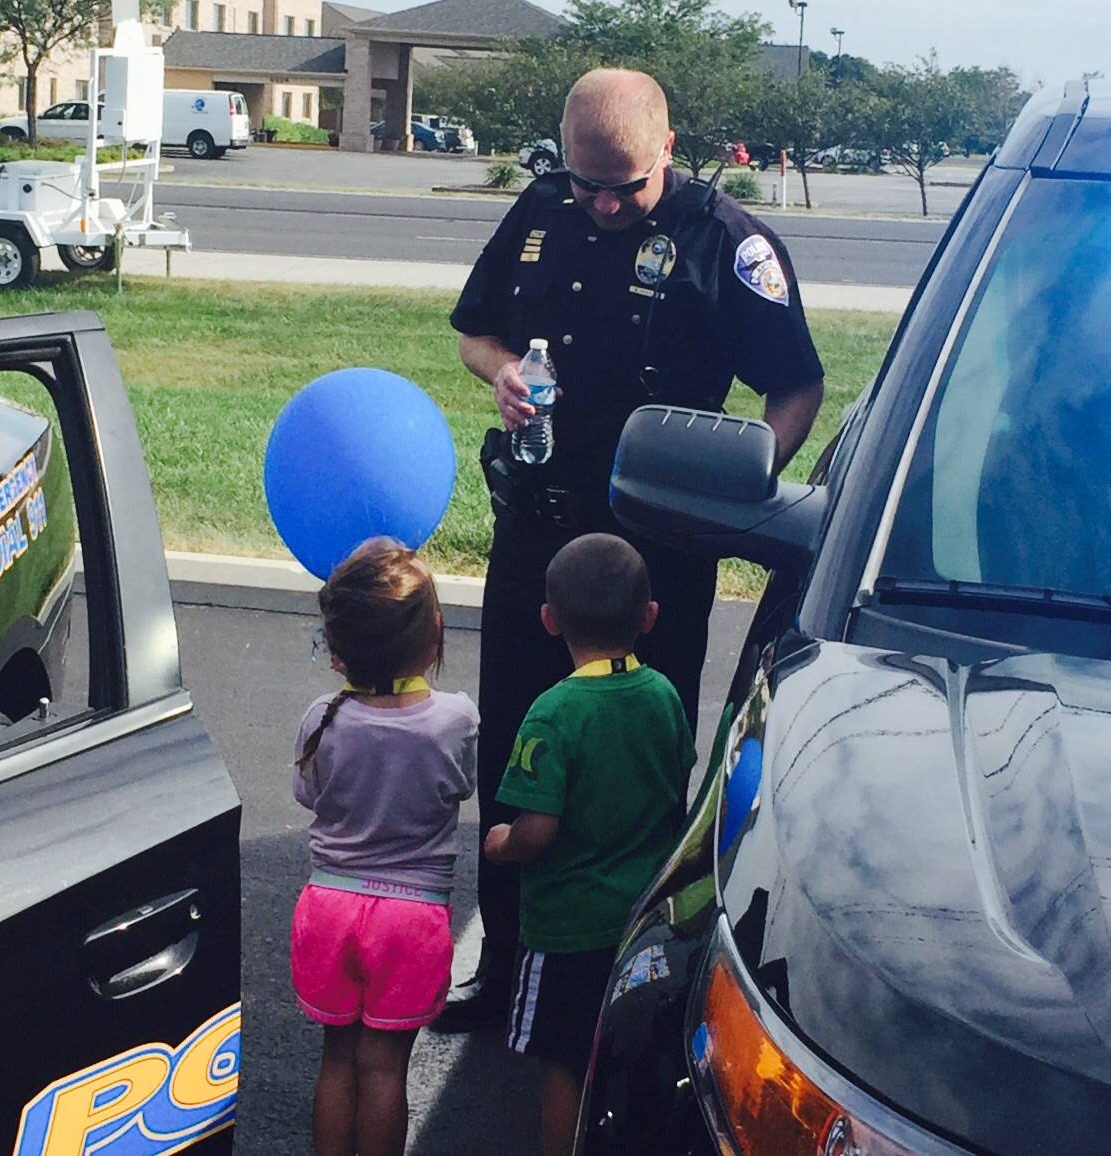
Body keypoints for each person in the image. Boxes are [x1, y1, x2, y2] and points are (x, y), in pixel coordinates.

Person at [437, 67, 825, 1031]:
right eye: (586, 184)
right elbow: (475, 333)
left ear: (668, 148)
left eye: (625, 186)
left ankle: (634, 970)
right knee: (521, 741)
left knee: (640, 757)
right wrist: (500, 380)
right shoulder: (539, 209)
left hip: (656, 548)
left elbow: (796, 389)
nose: (603, 205)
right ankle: (508, 964)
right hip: (539, 528)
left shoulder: (727, 244)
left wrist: (735, 481)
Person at [484, 534, 696, 1155]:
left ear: (549, 620)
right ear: (650, 616)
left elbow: (538, 830)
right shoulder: (663, 695)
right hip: (639, 927)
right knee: (623, 1056)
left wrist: (502, 844)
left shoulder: (552, 713)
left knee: (562, 1066)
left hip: (565, 932)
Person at [290, 539, 479, 1156]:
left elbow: (307, 795)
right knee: (384, 1069)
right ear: (434, 638)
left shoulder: (323, 717)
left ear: (340, 651)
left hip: (329, 909)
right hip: (410, 918)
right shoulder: (454, 719)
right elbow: (463, 783)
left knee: (337, 1060)